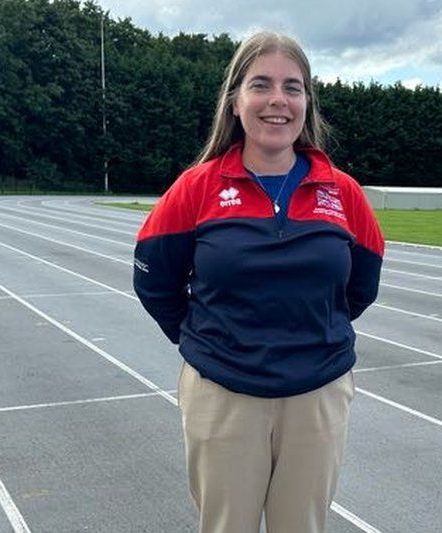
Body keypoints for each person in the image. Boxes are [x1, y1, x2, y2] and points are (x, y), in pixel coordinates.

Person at [132, 31, 384, 533]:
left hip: (317, 393)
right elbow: (154, 282)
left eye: (293, 87)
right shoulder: (196, 187)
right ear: (235, 100)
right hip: (224, 393)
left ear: (306, 103)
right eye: (261, 84)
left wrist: (310, 332)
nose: (277, 100)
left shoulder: (344, 193)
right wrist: (208, 339)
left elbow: (361, 287)